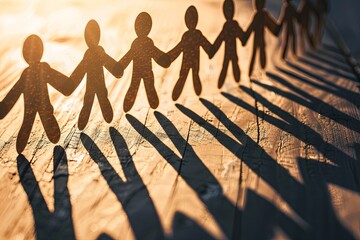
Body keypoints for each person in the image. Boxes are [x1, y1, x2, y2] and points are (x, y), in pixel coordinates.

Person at [0, 35, 73, 154]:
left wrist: (4, 108)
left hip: (32, 106)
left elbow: (14, 93)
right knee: (38, 120)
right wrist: (69, 84)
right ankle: (46, 126)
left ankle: (22, 146)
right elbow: (61, 83)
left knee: (28, 122)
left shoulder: (28, 73)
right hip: (42, 106)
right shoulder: (41, 69)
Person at [114, 12, 170, 112]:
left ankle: (149, 102)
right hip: (143, 71)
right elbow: (130, 55)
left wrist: (120, 66)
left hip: (141, 72)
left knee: (144, 86)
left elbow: (153, 52)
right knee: (140, 86)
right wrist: (120, 66)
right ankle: (134, 104)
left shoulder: (144, 43)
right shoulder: (141, 43)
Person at [71, 20, 121, 130]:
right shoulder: (95, 53)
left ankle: (101, 118)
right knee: (98, 99)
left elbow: (81, 68)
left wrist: (71, 82)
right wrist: (116, 69)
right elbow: (82, 68)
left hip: (95, 83)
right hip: (96, 83)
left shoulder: (94, 53)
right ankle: (89, 121)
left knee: (95, 100)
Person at [168, 6, 212, 100]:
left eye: (192, 20)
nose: (191, 23)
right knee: (184, 76)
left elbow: (178, 48)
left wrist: (169, 57)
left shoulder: (194, 35)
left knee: (192, 75)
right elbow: (179, 48)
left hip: (191, 62)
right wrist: (169, 57)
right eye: (189, 20)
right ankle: (177, 95)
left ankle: (194, 91)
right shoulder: (189, 35)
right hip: (189, 62)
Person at [211, 0, 246, 88]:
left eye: (230, 10)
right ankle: (221, 84)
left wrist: (212, 50)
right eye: (227, 10)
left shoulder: (233, 25)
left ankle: (225, 83)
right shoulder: (228, 26)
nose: (229, 12)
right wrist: (213, 49)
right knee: (226, 66)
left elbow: (242, 36)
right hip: (228, 53)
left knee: (232, 64)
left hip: (232, 53)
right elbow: (220, 38)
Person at [244, 0, 281, 77]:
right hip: (257, 37)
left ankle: (261, 67)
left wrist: (275, 29)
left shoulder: (264, 15)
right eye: (256, 3)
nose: (257, 5)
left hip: (260, 37)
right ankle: (251, 72)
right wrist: (245, 37)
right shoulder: (259, 15)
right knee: (255, 53)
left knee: (261, 51)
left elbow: (269, 23)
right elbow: (252, 26)